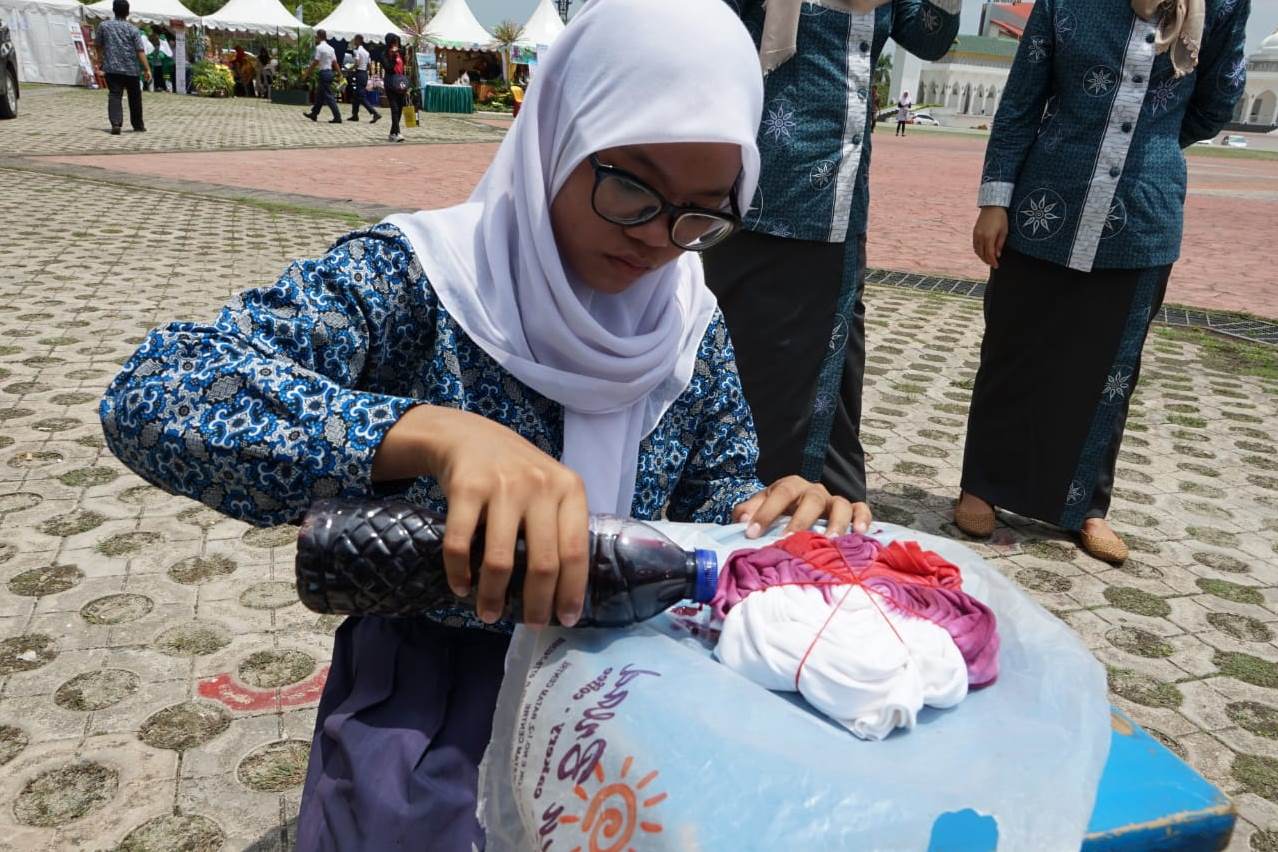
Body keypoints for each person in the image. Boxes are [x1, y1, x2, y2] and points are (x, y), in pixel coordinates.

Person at [100, 0, 857, 845]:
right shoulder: (422, 279)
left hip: (632, 695)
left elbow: (714, 503)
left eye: (700, 213)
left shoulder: (685, 322)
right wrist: (428, 432)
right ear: (560, 131)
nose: (656, 239)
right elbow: (157, 390)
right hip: (431, 707)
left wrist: (776, 517)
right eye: (631, 186)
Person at [958, 0, 1249, 561]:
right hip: (1046, 200)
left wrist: (1149, 139)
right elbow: (1022, 99)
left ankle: (1085, 508)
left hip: (1142, 212)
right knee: (1014, 349)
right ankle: (983, 487)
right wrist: (995, 199)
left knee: (1110, 368)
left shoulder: (1223, 7)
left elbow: (1215, 103)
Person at [706, 0, 960, 534]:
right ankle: (736, 511)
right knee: (743, 368)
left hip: (839, 213)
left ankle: (826, 516)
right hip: (755, 203)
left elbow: (931, 38)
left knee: (831, 373)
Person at [93, 0, 151, 135]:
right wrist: (147, 68)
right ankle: (138, 125)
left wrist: (100, 59)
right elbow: (140, 50)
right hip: (132, 69)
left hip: (112, 68)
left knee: (114, 95)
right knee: (135, 97)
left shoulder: (104, 26)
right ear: (128, 12)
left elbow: (98, 45)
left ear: (113, 10)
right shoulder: (133, 29)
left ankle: (116, 123)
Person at [303, 29, 341, 123]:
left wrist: (307, 73)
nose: (315, 38)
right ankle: (314, 114)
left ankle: (337, 116)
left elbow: (315, 62)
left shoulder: (319, 48)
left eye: (316, 37)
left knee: (328, 96)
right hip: (329, 73)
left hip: (323, 73)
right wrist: (340, 74)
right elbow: (335, 63)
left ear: (319, 37)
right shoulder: (331, 48)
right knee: (320, 95)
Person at [346, 35, 380, 123]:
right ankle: (355, 115)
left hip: (360, 73)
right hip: (364, 74)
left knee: (361, 96)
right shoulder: (366, 52)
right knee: (356, 95)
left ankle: (374, 113)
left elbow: (357, 63)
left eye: (355, 40)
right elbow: (369, 66)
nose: (354, 42)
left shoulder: (358, 51)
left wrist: (350, 69)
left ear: (358, 41)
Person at [384, 33, 407, 142]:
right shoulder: (384, 54)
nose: (395, 45)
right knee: (395, 108)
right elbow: (388, 68)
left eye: (397, 42)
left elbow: (403, 67)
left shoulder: (400, 54)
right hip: (390, 83)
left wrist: (403, 54)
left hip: (401, 83)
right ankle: (397, 132)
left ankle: (392, 132)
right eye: (393, 42)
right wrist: (393, 57)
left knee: (400, 108)